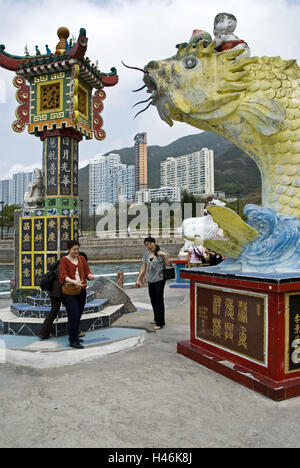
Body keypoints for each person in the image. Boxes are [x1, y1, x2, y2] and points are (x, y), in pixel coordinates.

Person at [38, 252, 89, 340]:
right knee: (72, 311)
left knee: (54, 310)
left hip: (53, 290)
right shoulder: (66, 262)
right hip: (62, 290)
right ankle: (75, 332)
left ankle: (44, 332)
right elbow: (63, 277)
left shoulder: (61, 260)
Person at [59, 240, 94, 349]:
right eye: (74, 249)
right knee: (74, 314)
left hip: (81, 290)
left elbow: (87, 271)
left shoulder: (82, 259)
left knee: (78, 314)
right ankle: (73, 341)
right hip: (70, 291)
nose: (76, 251)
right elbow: (63, 276)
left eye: (78, 249)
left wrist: (90, 275)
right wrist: (74, 282)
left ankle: (74, 336)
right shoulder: (64, 260)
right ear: (69, 249)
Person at [135, 237, 171, 331]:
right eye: (146, 245)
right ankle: (156, 318)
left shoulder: (162, 251)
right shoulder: (146, 255)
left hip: (160, 279)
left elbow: (168, 265)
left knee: (159, 301)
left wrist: (165, 256)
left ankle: (160, 323)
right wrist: (138, 279)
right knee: (153, 300)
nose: (149, 246)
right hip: (150, 280)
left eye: (150, 244)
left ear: (154, 243)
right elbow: (143, 268)